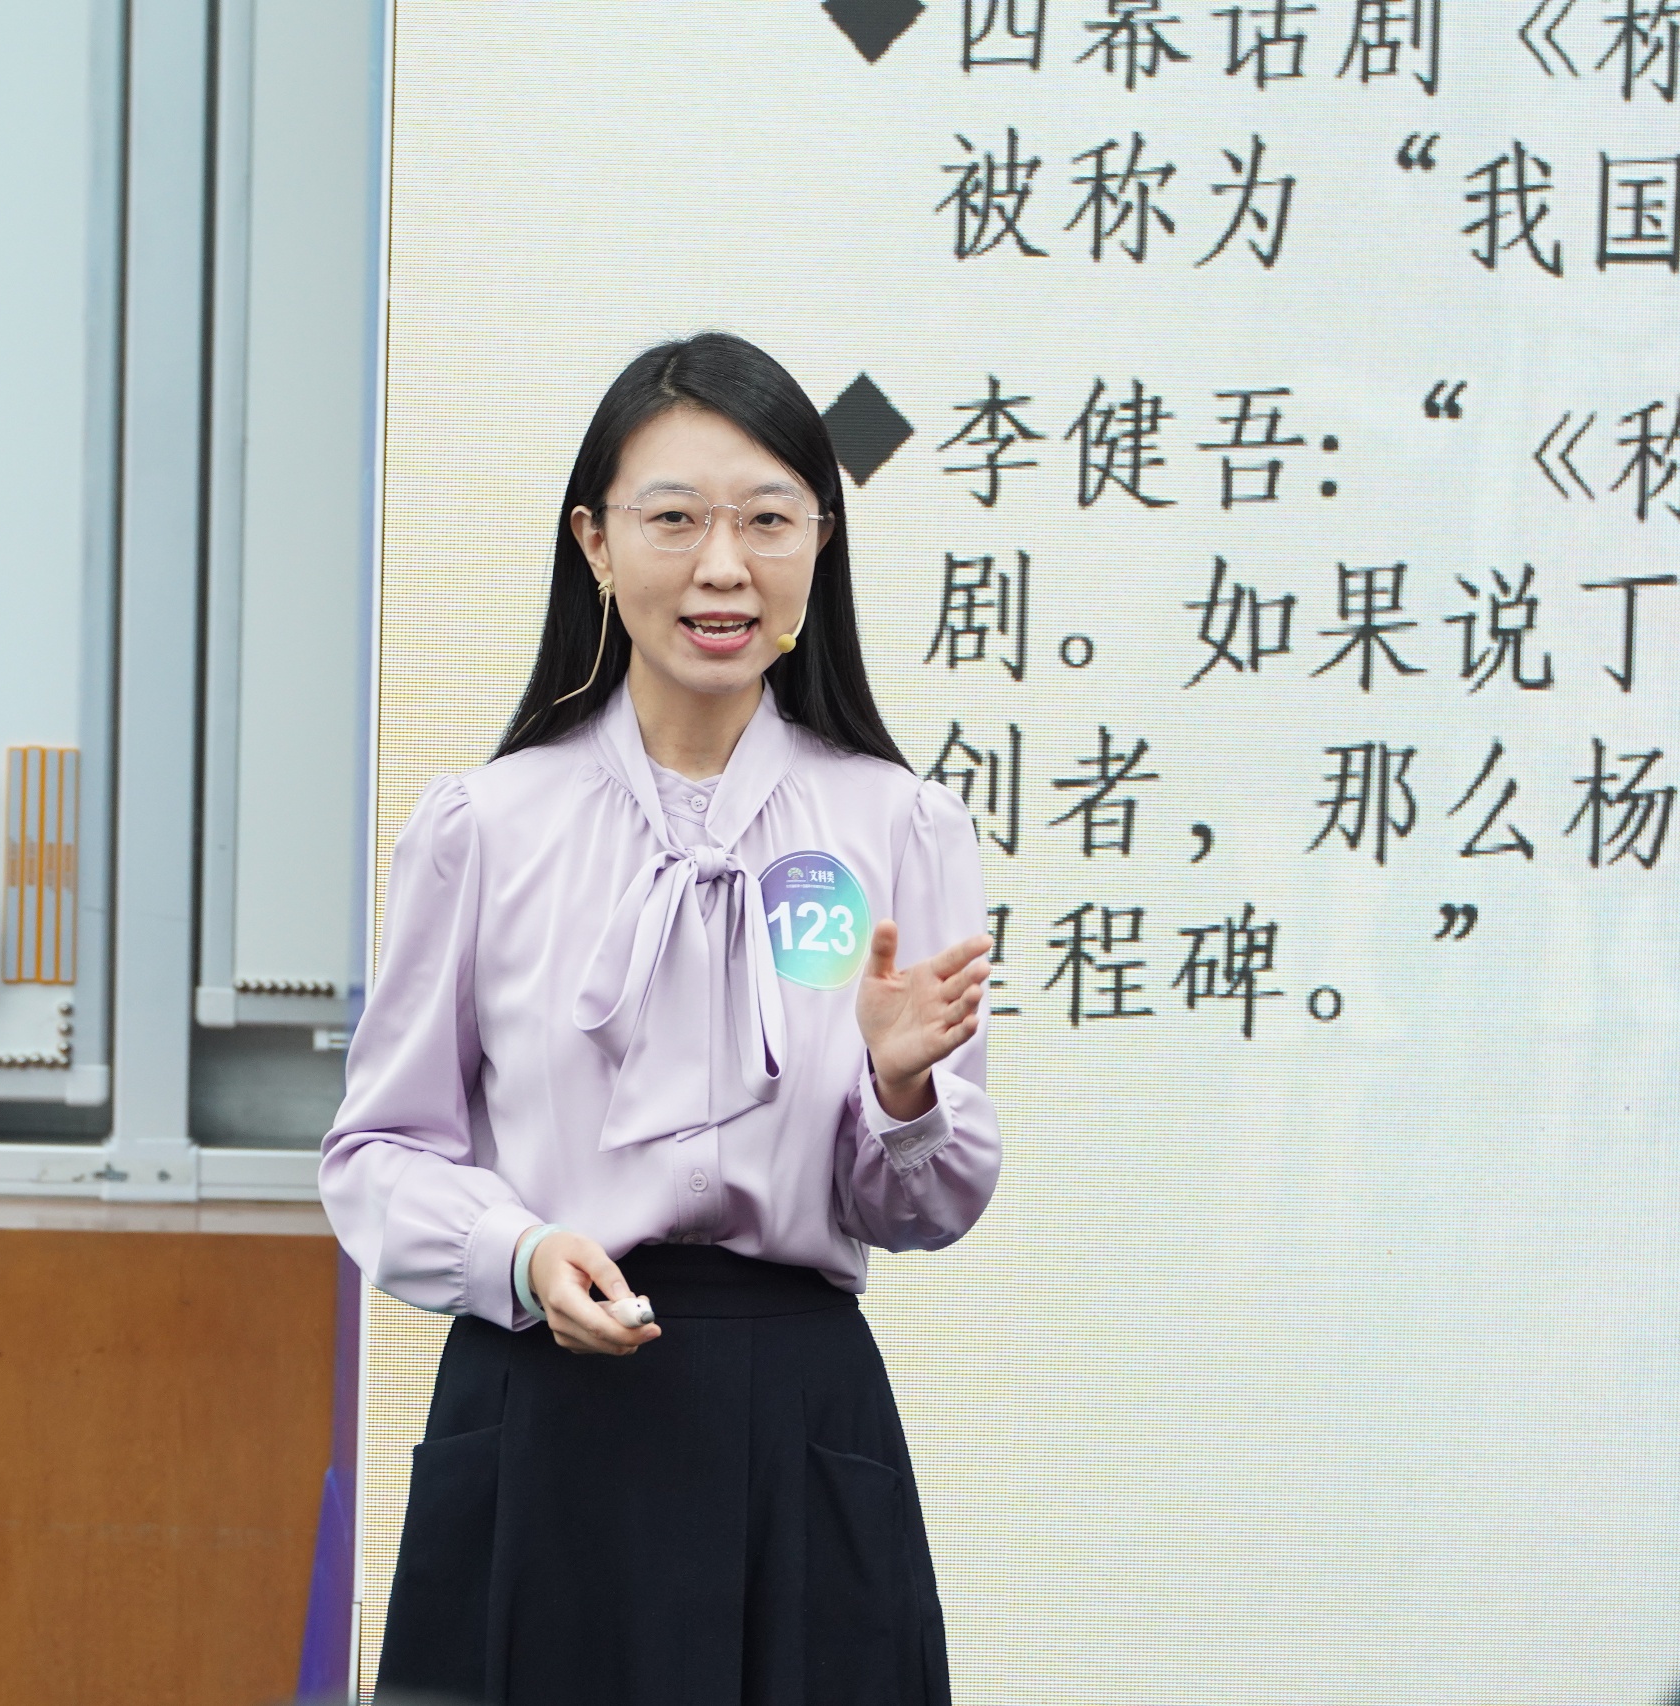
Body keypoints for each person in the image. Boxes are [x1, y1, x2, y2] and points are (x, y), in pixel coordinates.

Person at [321, 331, 999, 1706]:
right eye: (675, 518)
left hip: (797, 1417)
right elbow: (376, 1153)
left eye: (769, 520)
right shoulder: (487, 825)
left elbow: (926, 1208)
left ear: (821, 541)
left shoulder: (897, 825)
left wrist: (899, 1089)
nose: (723, 567)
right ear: (595, 540)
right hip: (543, 1406)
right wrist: (519, 1253)